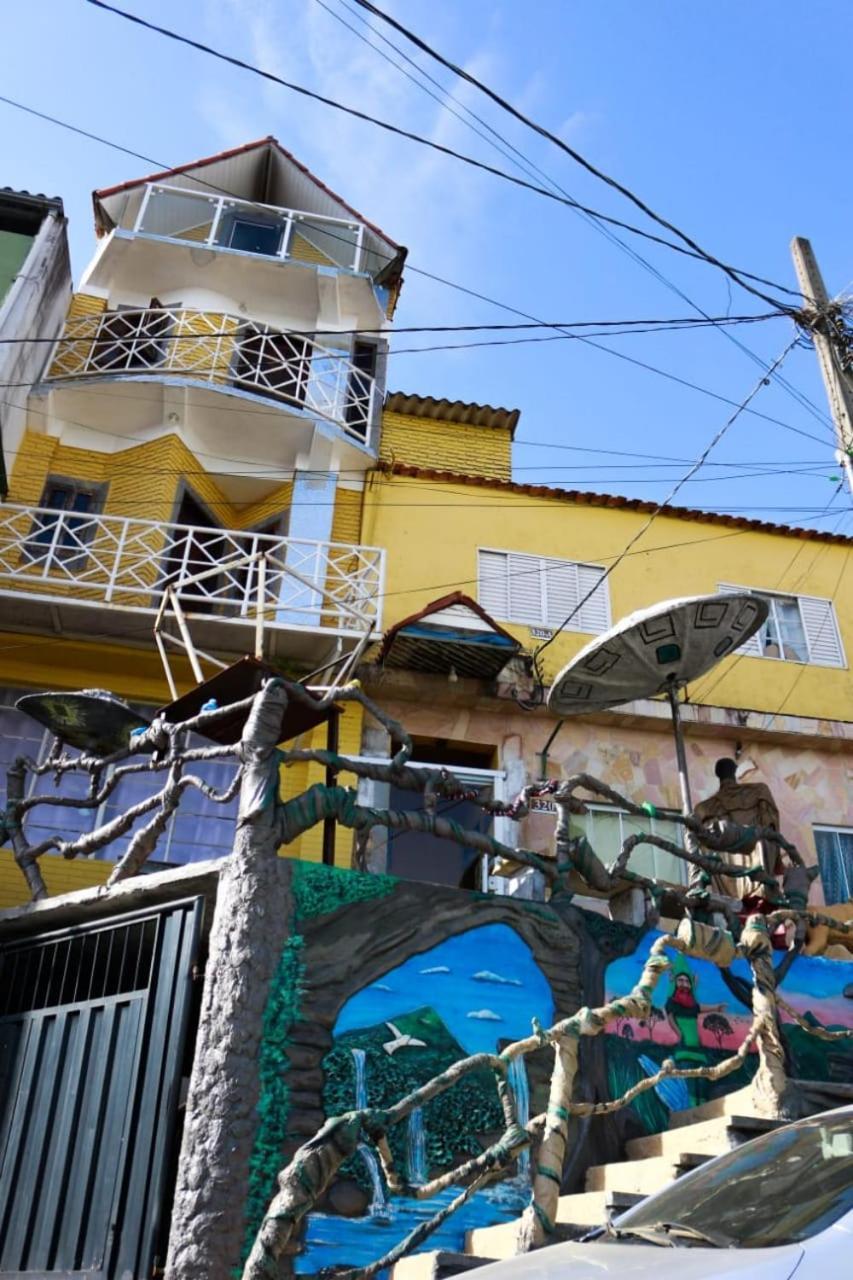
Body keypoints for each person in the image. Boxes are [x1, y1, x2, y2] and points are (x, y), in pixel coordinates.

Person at [690, 757, 782, 906]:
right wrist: (776, 862)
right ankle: (760, 887)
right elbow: (771, 827)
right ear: (735, 771)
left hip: (725, 874)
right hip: (755, 861)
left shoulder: (704, 808)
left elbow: (700, 844)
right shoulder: (759, 791)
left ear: (717, 775)